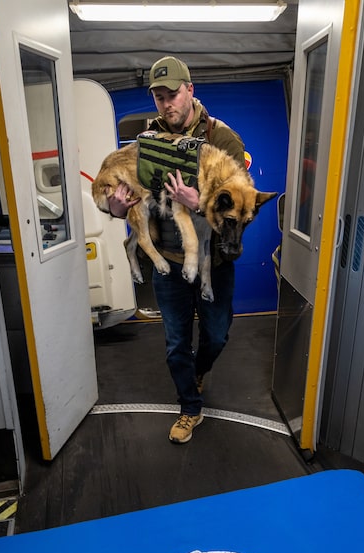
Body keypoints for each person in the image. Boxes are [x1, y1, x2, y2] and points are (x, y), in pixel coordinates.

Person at [108, 55, 247, 444]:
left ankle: (199, 371)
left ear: (191, 90)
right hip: (168, 263)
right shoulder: (147, 142)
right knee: (175, 344)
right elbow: (126, 197)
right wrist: (116, 208)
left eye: (173, 95)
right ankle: (189, 407)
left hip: (213, 261)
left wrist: (199, 200)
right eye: (159, 97)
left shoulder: (223, 139)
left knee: (217, 336)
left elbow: (239, 209)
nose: (167, 104)